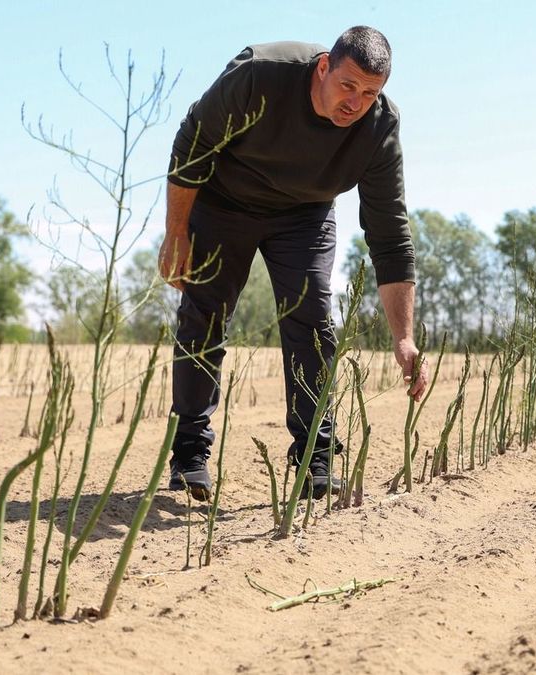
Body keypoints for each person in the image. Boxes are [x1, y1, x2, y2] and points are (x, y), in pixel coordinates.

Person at [158, 25, 428, 502]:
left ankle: (315, 458)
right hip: (225, 202)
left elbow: (389, 232)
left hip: (305, 214)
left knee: (312, 319)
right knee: (205, 313)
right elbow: (192, 142)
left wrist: (403, 338)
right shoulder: (260, 75)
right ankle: (189, 455)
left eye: (370, 92)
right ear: (323, 66)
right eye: (347, 85)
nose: (356, 102)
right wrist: (177, 231)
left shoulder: (380, 125)